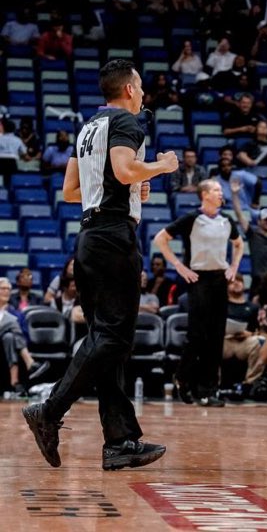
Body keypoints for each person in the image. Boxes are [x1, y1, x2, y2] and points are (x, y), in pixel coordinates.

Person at [23, 59, 177, 470]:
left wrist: (132, 183)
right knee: (113, 338)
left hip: (89, 238)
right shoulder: (126, 122)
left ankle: (119, 442)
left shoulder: (88, 129)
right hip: (113, 237)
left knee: (106, 340)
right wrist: (161, 166)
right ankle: (49, 410)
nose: (142, 93)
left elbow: (71, 191)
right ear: (128, 89)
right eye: (140, 86)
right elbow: (124, 170)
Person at [154, 179, 243, 407]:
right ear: (204, 194)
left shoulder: (226, 220)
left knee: (216, 336)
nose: (220, 193)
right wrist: (179, 266)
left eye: (221, 190)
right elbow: (160, 239)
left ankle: (207, 390)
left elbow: (239, 244)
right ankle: (183, 378)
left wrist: (233, 267)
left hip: (219, 279)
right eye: (216, 190)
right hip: (198, 278)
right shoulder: (192, 219)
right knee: (197, 335)